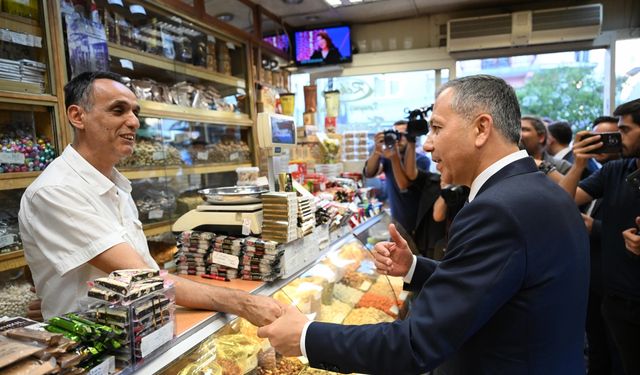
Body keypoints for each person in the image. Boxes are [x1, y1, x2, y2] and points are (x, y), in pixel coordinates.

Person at [257, 75, 589, 374]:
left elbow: (417, 344)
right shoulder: (541, 189)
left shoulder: (497, 209)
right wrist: (415, 267)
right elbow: (497, 283)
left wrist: (306, 337)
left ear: (481, 128)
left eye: (438, 128)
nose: (428, 144)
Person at [18, 71, 283, 324]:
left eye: (135, 112)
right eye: (118, 110)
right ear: (78, 116)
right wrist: (242, 303)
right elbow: (141, 276)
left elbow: (144, 272)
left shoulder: (116, 185)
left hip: (137, 327)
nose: (134, 121)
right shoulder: (56, 191)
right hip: (95, 347)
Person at [559, 99, 640, 375]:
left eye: (626, 130)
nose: (618, 139)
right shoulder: (616, 170)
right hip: (615, 296)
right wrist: (579, 163)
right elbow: (564, 201)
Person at [580, 116, 623, 375]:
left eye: (612, 138)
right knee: (597, 348)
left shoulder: (627, 172)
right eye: (598, 138)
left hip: (620, 280)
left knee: (619, 352)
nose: (604, 144)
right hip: (592, 277)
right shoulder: (596, 173)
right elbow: (566, 197)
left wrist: (593, 227)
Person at [364, 120, 430, 240]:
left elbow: (405, 185)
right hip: (398, 223)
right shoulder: (388, 158)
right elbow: (370, 173)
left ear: (411, 136)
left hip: (419, 227)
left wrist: (394, 156)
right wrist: (377, 150)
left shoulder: (421, 160)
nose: (398, 138)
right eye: (395, 134)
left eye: (403, 134)